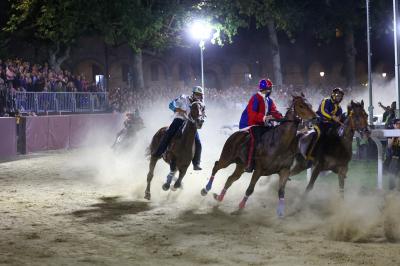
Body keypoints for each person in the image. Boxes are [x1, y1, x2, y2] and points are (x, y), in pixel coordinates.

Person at [152, 86, 204, 170]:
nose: (198, 97)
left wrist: (200, 119)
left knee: (198, 142)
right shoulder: (183, 98)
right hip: (180, 120)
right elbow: (171, 105)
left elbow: (202, 115)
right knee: (169, 133)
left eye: (200, 95)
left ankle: (196, 163)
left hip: (191, 124)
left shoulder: (200, 104)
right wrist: (179, 110)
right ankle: (158, 153)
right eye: (197, 95)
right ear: (193, 94)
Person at [239, 78, 283, 172]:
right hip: (251, 124)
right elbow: (252, 114)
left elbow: (274, 110)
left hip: (263, 124)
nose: (271, 90)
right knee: (256, 141)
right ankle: (249, 164)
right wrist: (264, 118)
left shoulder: (269, 100)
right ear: (264, 89)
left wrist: (281, 117)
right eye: (270, 88)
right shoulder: (255, 98)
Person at [299, 87, 344, 160]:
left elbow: (339, 118)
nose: (339, 97)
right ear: (333, 94)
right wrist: (332, 117)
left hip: (330, 125)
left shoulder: (339, 108)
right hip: (319, 122)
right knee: (319, 133)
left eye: (340, 96)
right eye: (338, 95)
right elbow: (323, 111)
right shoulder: (326, 101)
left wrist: (338, 119)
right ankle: (309, 153)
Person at [387, 118, 400, 190]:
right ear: (394, 125)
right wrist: (394, 136)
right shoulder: (391, 133)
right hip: (395, 155)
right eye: (397, 124)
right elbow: (389, 145)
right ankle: (392, 189)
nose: (399, 125)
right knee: (392, 171)